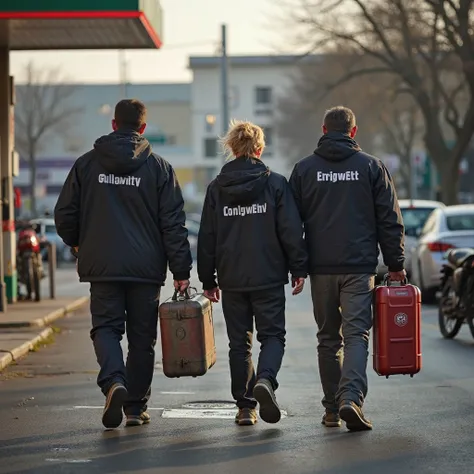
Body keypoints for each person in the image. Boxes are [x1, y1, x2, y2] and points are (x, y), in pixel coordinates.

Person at [54, 99, 192, 429]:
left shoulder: (86, 165)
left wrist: (78, 243)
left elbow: (64, 214)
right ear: (143, 128)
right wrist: (182, 272)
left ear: (114, 124)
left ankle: (114, 381)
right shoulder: (159, 168)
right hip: (146, 271)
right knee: (142, 341)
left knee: (105, 328)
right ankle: (135, 408)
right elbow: (173, 224)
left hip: (102, 266)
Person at [289, 106, 405, 432]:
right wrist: (395, 265)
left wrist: (297, 265)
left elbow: (289, 223)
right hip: (358, 267)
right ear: (353, 132)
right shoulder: (371, 167)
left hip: (321, 269)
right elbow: (389, 220)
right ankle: (350, 399)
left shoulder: (304, 170)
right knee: (356, 336)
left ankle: (330, 410)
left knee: (328, 339)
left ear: (324, 130)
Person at [198, 120, 308, 426]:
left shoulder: (217, 189)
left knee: (239, 342)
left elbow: (207, 237)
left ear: (231, 149)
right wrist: (299, 268)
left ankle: (245, 406)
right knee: (272, 336)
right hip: (269, 276)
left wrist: (208, 280)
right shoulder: (275, 184)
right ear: (259, 148)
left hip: (232, 278)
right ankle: (266, 381)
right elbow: (290, 230)